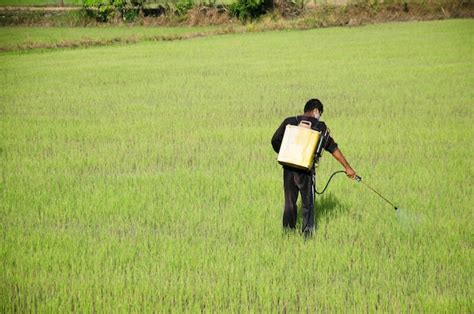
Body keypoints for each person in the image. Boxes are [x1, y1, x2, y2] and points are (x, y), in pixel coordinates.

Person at [271, 99, 356, 238]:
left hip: (288, 168)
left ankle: (287, 234)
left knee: (289, 203)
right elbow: (332, 148)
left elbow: (274, 140)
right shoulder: (320, 126)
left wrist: (285, 153)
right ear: (316, 111)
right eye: (320, 113)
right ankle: (307, 236)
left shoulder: (289, 121)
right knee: (308, 204)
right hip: (305, 170)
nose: (320, 116)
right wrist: (348, 168)